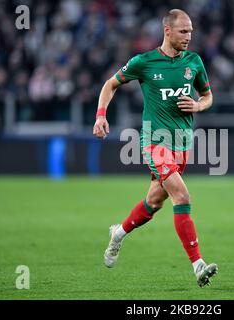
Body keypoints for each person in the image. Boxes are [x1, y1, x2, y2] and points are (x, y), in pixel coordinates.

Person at [93, 9, 217, 287]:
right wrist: (101, 115)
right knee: (182, 197)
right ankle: (198, 264)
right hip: (154, 141)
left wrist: (198, 104)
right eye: (184, 31)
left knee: (155, 201)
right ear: (168, 31)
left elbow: (208, 96)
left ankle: (119, 233)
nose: (189, 36)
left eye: (191, 32)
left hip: (182, 144)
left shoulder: (194, 62)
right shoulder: (144, 62)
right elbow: (110, 84)